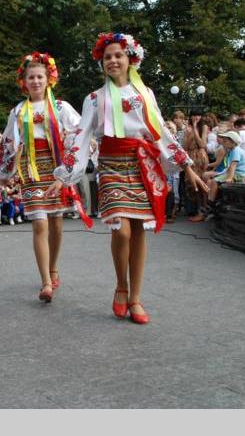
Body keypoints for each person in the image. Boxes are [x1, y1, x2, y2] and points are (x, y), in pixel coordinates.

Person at [47, 32, 207, 324]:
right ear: (102, 63)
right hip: (111, 164)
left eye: (118, 55)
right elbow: (81, 137)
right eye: (107, 57)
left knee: (138, 230)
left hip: (141, 164)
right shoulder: (94, 99)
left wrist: (188, 167)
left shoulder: (144, 94)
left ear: (130, 59)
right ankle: (121, 286)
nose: (113, 60)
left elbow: (160, 132)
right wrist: (64, 175)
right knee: (121, 230)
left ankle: (136, 298)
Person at [0, 51, 90, 303]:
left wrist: (69, 165)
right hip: (30, 167)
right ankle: (46, 282)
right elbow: (7, 142)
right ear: (24, 82)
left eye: (40, 76)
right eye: (31, 77)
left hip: (56, 167)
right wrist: (3, 172)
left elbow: (80, 134)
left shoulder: (61, 107)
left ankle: (53, 267)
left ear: (49, 79)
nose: (36, 81)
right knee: (40, 223)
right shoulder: (18, 111)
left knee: (56, 223)